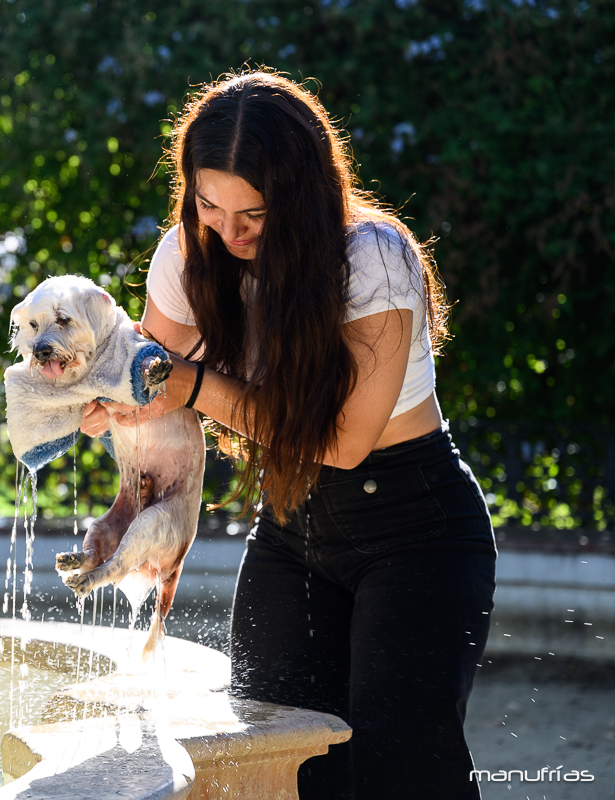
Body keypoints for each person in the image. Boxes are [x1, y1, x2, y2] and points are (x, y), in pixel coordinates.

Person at [81, 71, 496, 799]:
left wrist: (193, 385)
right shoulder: (187, 256)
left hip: (416, 531)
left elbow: (342, 442)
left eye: (254, 215)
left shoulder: (372, 256)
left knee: (401, 773)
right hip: (289, 530)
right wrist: (122, 485)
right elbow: (151, 394)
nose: (230, 234)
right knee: (272, 762)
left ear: (303, 194)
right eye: (209, 205)